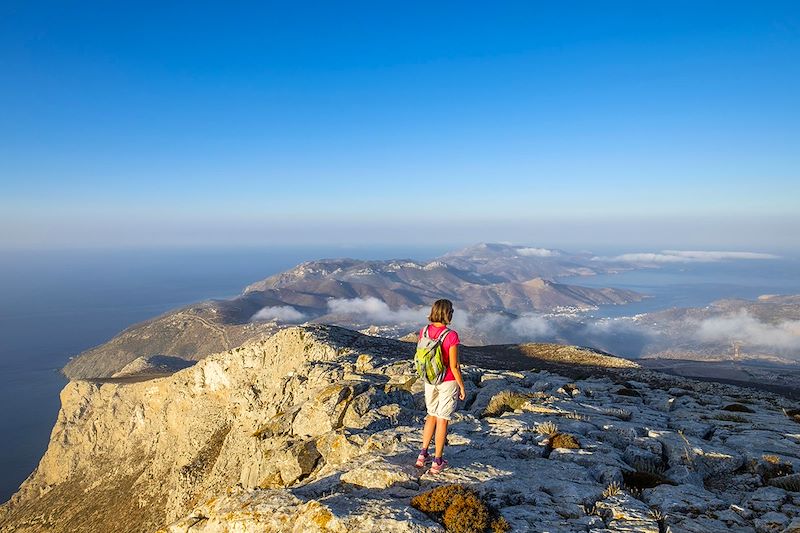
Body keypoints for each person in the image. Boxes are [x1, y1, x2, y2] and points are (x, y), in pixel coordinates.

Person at [415, 299, 466, 473]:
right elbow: (454, 366)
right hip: (447, 381)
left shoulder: (424, 331)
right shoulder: (451, 336)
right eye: (451, 310)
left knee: (431, 415)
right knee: (442, 419)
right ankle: (437, 461)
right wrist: (462, 385)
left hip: (430, 379)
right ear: (447, 313)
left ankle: (422, 455)